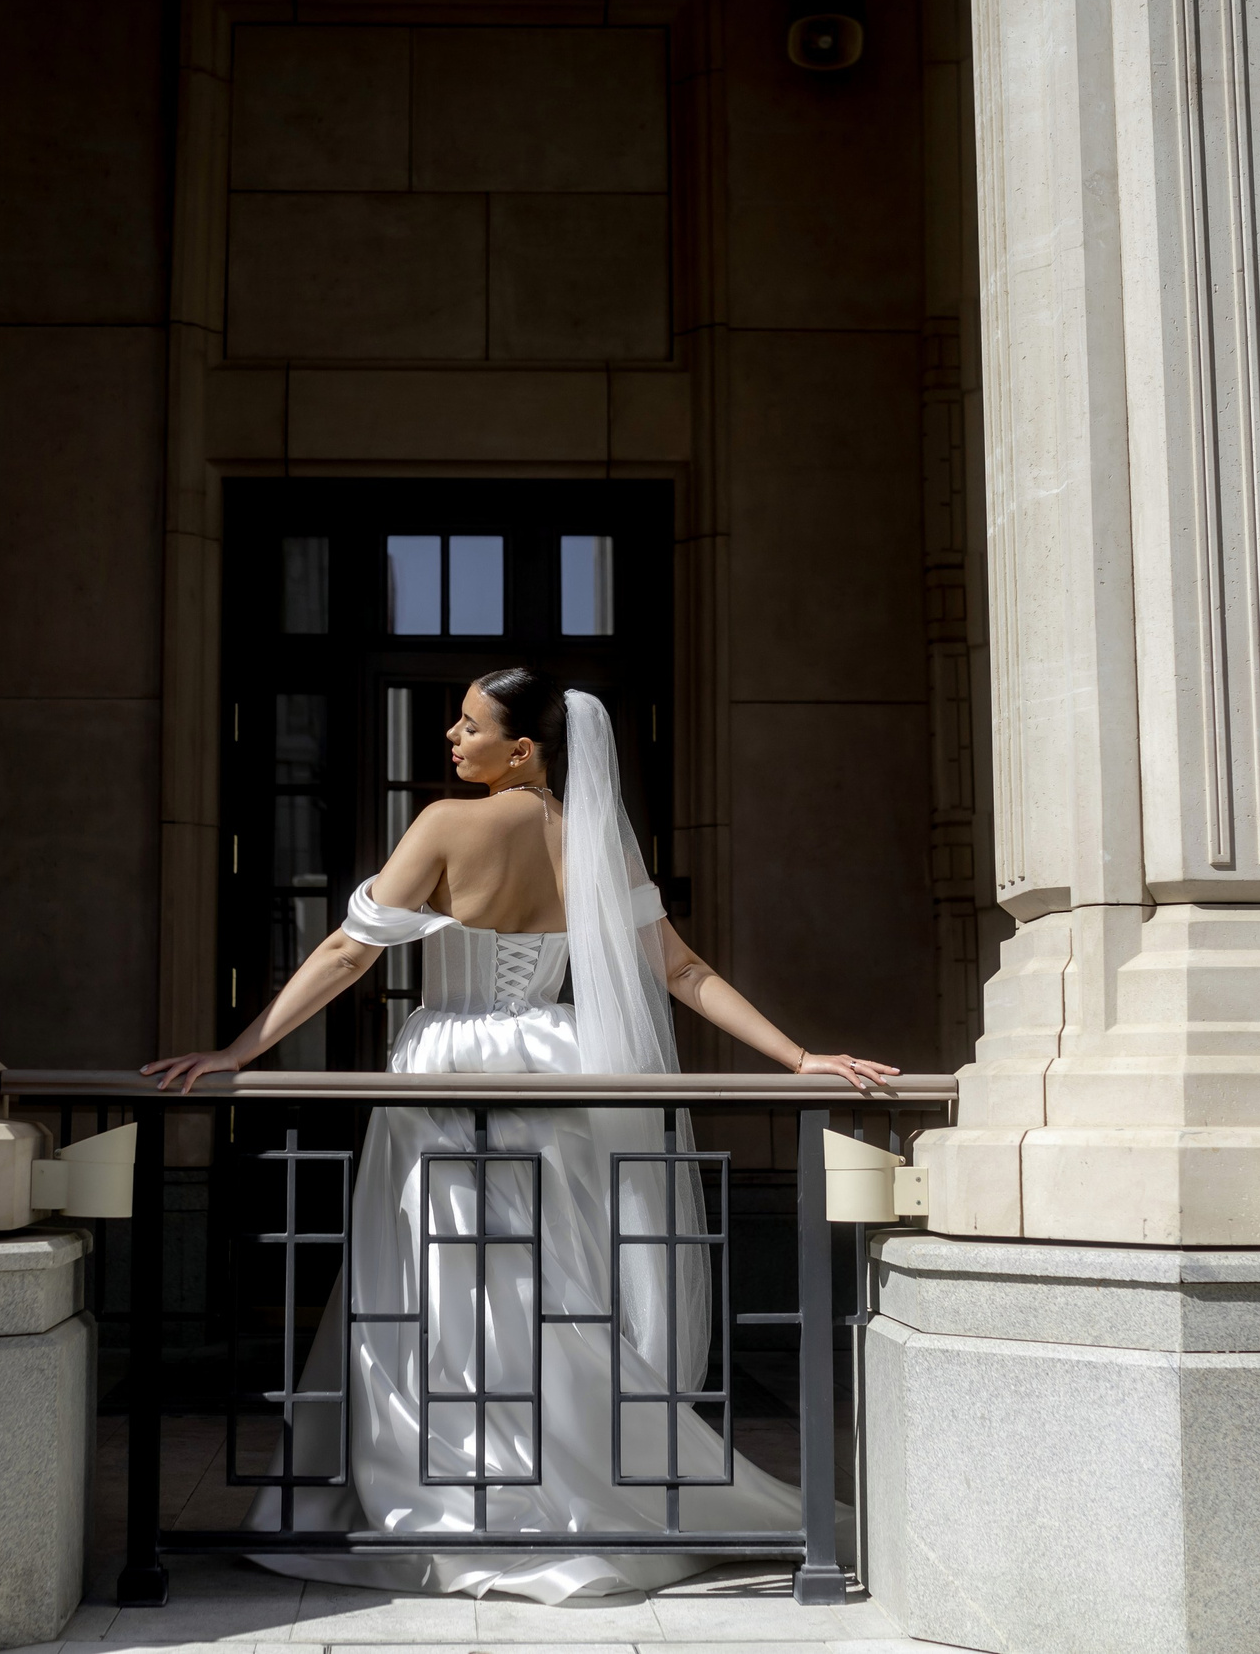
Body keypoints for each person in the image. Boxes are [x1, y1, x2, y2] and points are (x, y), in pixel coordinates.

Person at [143, 667, 899, 1601]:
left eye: (467, 725)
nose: (450, 740)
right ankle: (573, 1478)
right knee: (554, 1287)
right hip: (559, 1061)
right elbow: (683, 969)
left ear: (524, 748)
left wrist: (237, 1049)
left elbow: (347, 953)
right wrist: (796, 1057)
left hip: (451, 1064)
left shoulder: (446, 826)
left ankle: (463, 1488)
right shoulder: (595, 841)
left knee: (445, 1283)